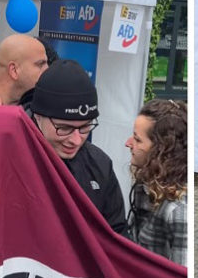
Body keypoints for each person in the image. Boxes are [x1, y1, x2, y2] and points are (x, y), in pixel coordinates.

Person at [28, 59, 127, 236]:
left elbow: (117, 234)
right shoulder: (12, 158)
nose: (76, 140)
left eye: (85, 127)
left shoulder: (100, 164)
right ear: (37, 116)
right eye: (64, 128)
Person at [125, 99, 187, 266]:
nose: (128, 143)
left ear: (159, 150)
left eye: (137, 140)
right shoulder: (144, 187)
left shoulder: (177, 211)